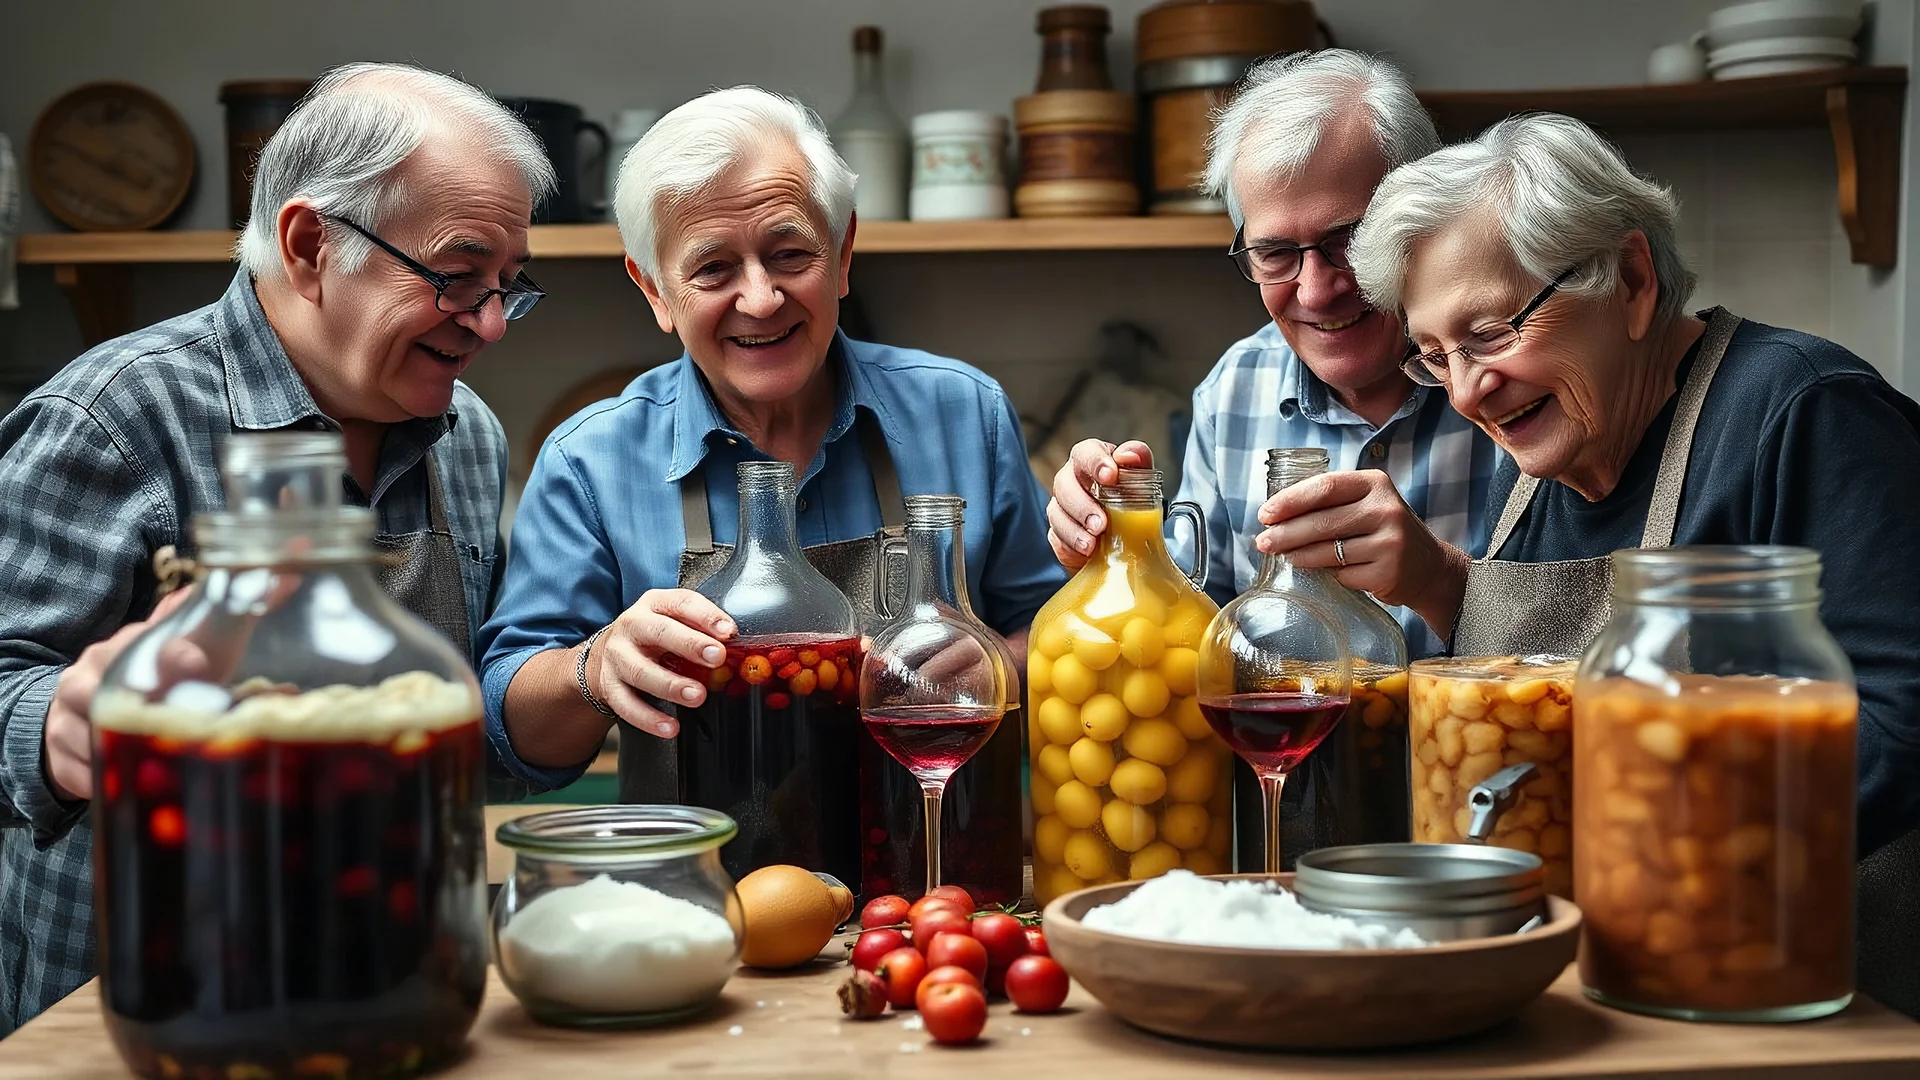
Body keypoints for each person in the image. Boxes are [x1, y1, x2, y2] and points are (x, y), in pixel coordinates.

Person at [0, 62, 554, 1033]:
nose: (494, 324)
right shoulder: (115, 418)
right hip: (151, 1005)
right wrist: (58, 725)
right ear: (310, 244)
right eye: (457, 278)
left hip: (395, 988)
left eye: (510, 286)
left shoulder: (468, 437)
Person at [1343, 110, 1920, 1014]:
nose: (1466, 391)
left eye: (1491, 333)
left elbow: (1903, 726)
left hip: (1817, 994)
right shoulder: (1543, 454)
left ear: (1635, 278)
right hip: (1611, 982)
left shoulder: (1805, 414)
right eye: (1434, 358)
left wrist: (1660, 839)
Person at [477, 87, 1063, 798]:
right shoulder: (588, 462)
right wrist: (595, 668)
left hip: (933, 885)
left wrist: (990, 659)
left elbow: (1057, 632)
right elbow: (517, 731)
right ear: (656, 290)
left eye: (789, 254)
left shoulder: (963, 411)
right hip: (701, 896)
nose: (760, 299)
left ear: (843, 254)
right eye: (713, 269)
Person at [1047, 49, 1500, 659]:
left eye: (1350, 240)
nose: (1316, 290)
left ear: (1422, 222)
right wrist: (1114, 552)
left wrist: (1440, 579)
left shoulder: (1511, 373)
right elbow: (1193, 646)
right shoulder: (1234, 388)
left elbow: (1575, 647)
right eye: (1275, 252)